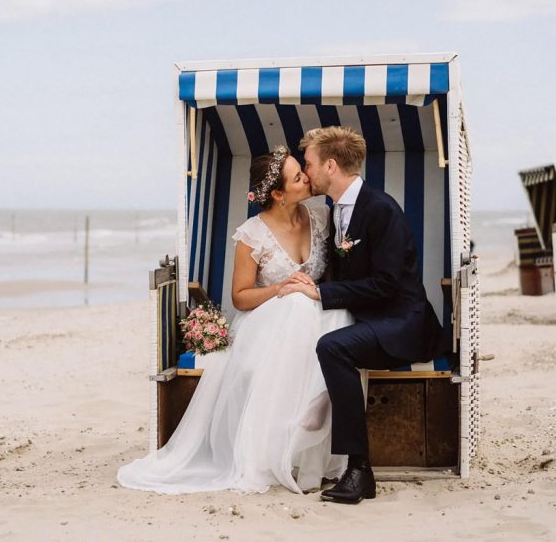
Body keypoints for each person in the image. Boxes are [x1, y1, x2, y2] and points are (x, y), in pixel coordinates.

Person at [116, 145, 353, 494]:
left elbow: (329, 277)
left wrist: (309, 291)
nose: (307, 178)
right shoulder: (252, 234)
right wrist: (281, 288)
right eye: (298, 177)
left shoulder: (320, 215)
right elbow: (240, 298)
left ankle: (314, 406)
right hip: (266, 320)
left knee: (341, 313)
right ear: (277, 194)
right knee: (297, 306)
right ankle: (288, 430)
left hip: (312, 312)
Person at [280, 126, 448, 504]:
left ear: (331, 165)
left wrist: (321, 292)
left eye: (309, 164)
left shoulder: (380, 208)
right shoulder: (336, 209)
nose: (306, 173)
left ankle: (359, 470)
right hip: (366, 319)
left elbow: (386, 285)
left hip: (401, 324)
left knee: (332, 348)